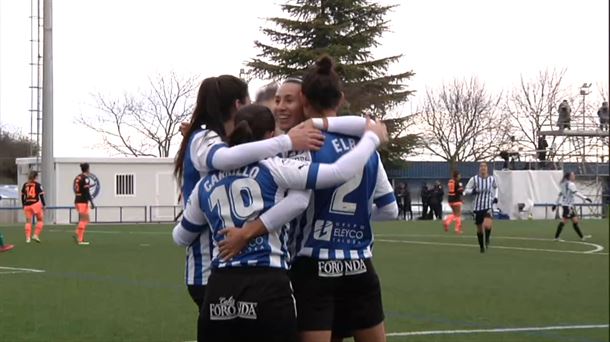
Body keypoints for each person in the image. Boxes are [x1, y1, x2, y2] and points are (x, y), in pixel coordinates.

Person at [172, 104, 388, 342]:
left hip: (220, 288)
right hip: (268, 283)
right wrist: (371, 138)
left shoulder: (205, 185)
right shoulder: (275, 169)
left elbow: (180, 237)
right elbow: (337, 173)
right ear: (270, 137)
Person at [173, 75, 325, 339]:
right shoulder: (208, 139)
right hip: (215, 267)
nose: (278, 108)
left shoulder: (215, 138)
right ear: (238, 104)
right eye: (276, 101)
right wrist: (287, 141)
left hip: (232, 268)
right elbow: (224, 158)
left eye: (288, 100)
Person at [287, 55, 397, 342]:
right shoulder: (367, 146)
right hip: (360, 264)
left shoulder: (303, 142)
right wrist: (357, 219)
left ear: (304, 99)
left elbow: (294, 203)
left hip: (314, 264)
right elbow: (391, 208)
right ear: (341, 98)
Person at [464, 162, 498, 253]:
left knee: (487, 225)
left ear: (487, 168)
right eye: (481, 166)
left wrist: (495, 197)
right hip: (477, 206)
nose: (483, 168)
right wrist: (473, 191)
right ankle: (481, 246)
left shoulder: (491, 179)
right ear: (479, 168)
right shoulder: (474, 179)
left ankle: (487, 239)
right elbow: (466, 190)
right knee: (479, 228)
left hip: (488, 205)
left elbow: (496, 187)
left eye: (485, 166)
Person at [552, 172, 592, 241]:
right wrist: (585, 198)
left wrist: (555, 204)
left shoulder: (563, 184)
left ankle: (582, 237)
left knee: (575, 221)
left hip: (567, 206)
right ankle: (556, 237)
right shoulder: (571, 184)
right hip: (567, 206)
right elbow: (575, 193)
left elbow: (560, 194)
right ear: (569, 177)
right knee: (564, 221)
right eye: (573, 175)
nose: (574, 176)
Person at [73, 163, 95, 245]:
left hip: (77, 199)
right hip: (82, 201)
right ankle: (80, 239)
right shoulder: (85, 178)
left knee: (86, 220)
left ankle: (78, 232)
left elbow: (80, 188)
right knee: (84, 220)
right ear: (87, 169)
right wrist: (91, 202)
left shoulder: (78, 177)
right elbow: (86, 191)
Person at [21, 170, 46, 243]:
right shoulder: (38, 184)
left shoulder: (25, 184)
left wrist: (23, 204)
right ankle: (35, 235)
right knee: (40, 220)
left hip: (27, 205)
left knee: (28, 222)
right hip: (35, 204)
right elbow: (41, 195)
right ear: (36, 177)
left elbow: (22, 196)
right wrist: (44, 205)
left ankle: (28, 238)